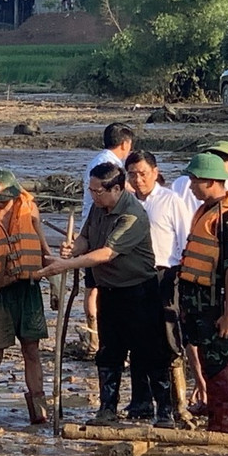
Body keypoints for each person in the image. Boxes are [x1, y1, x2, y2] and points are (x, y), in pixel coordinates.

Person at [39, 163, 170, 426]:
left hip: (139, 292)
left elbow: (107, 253)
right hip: (109, 292)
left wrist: (68, 264)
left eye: (98, 191)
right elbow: (87, 239)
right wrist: (72, 249)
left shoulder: (132, 215)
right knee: (109, 352)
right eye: (91, 191)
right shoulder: (98, 210)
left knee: (149, 352)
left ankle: (163, 412)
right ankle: (107, 408)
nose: (94, 196)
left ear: (117, 189)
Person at [178, 153, 228, 433]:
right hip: (197, 303)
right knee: (206, 360)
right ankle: (211, 412)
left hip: (217, 304)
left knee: (221, 364)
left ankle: (222, 424)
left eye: (194, 181)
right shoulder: (208, 211)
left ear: (211, 181)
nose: (190, 187)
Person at [0, 169, 51, 426]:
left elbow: (44, 247)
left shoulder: (29, 209)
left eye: (4, 199)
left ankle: (39, 412)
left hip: (28, 290)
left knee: (32, 351)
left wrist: (55, 281)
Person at [124, 151, 195, 427]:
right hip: (133, 277)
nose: (138, 179)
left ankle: (175, 405)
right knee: (137, 340)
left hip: (165, 274)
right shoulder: (126, 202)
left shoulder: (170, 201)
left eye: (142, 173)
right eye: (132, 174)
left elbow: (185, 239)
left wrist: (182, 278)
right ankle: (141, 402)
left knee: (168, 339)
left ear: (155, 172)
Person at [79, 123, 134, 357]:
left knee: (92, 287)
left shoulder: (98, 160)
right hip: (101, 229)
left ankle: (95, 336)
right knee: (99, 286)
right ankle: (98, 336)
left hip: (91, 228)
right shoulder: (111, 166)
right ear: (125, 144)